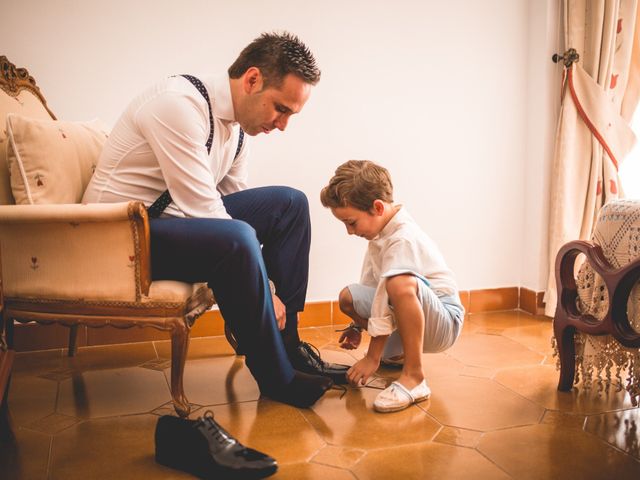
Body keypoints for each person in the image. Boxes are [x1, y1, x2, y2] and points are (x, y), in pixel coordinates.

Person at [83, 31, 349, 411]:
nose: (283, 124)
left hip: (166, 225)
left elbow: (236, 212)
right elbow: (205, 212)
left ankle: (286, 347)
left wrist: (261, 285)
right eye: (281, 108)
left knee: (290, 204)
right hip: (119, 237)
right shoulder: (177, 105)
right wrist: (267, 288)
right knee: (234, 238)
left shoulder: (237, 133)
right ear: (252, 79)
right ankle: (277, 376)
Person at [320, 160, 465, 413]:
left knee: (397, 282)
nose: (349, 232)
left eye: (351, 222)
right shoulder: (379, 233)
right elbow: (371, 286)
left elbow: (388, 291)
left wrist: (372, 357)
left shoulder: (403, 237)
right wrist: (357, 325)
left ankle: (415, 377)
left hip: (444, 321)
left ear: (377, 207)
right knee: (348, 297)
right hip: (411, 309)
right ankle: (396, 353)